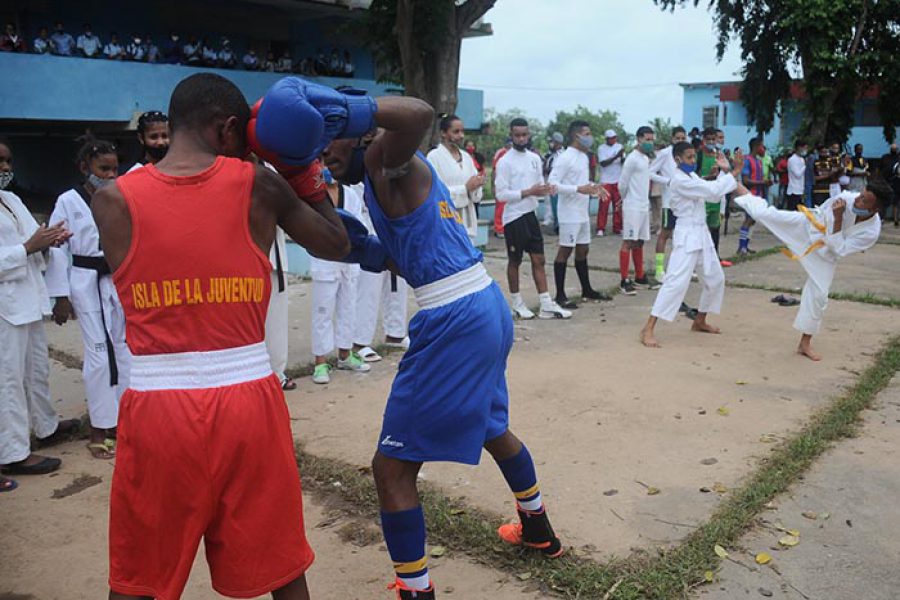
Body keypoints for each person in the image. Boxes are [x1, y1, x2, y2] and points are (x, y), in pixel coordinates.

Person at [92, 72, 353, 600]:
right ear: (229, 129)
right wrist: (302, 170)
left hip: (156, 408)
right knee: (282, 570)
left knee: (140, 576)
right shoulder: (258, 184)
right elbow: (336, 242)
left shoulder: (112, 200)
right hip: (248, 402)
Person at [308, 80, 564, 600]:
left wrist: (345, 113)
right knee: (492, 424)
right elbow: (385, 250)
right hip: (482, 304)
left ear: (355, 133)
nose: (323, 152)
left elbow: (418, 112)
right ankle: (537, 528)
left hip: (454, 317)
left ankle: (414, 591)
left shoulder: (384, 156)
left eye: (328, 138)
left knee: (392, 468)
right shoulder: (378, 175)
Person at [734, 177, 888, 361]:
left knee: (819, 295)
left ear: (875, 209)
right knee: (766, 214)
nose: (857, 200)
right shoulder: (846, 198)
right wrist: (834, 219)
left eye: (864, 200)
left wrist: (838, 219)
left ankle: (804, 343)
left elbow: (839, 249)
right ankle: (732, 181)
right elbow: (822, 216)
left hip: (826, 254)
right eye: (861, 195)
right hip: (807, 227)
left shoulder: (871, 232)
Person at [45, 137, 130, 460]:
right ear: (84, 168)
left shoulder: (120, 196)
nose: (109, 175)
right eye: (102, 169)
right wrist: (60, 296)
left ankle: (125, 421)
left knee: (125, 349)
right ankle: (100, 426)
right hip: (84, 280)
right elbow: (56, 248)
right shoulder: (68, 201)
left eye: (114, 169)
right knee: (98, 353)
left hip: (117, 280)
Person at [0, 139, 77, 483]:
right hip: (4, 306)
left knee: (36, 371)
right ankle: (13, 453)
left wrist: (51, 239)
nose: (5, 169)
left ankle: (46, 427)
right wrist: (27, 248)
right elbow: (25, 246)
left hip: (28, 299)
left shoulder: (12, 200)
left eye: (8, 161)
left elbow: (35, 238)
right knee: (8, 381)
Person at [640, 143, 742, 348]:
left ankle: (700, 320)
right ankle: (648, 328)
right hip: (687, 235)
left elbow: (710, 190)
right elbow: (712, 191)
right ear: (677, 160)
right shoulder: (679, 180)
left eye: (694, 157)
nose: (693, 161)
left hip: (701, 233)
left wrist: (722, 173)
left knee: (715, 278)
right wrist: (734, 171)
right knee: (675, 283)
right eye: (688, 157)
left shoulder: (691, 177)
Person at [494, 118, 571, 320]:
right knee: (515, 260)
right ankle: (517, 302)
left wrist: (543, 190)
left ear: (529, 135)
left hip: (531, 215)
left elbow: (539, 185)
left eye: (524, 134)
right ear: (511, 136)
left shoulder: (535, 158)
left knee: (539, 259)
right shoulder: (504, 162)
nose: (521, 138)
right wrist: (529, 191)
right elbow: (501, 194)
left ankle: (545, 303)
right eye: (517, 135)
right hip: (514, 217)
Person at [309, 171, 370, 384]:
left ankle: (345, 354)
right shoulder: (313, 196)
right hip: (324, 260)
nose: (329, 172)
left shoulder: (350, 194)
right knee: (322, 311)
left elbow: (359, 226)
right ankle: (320, 362)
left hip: (349, 259)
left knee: (348, 308)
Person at [548, 120, 608, 307]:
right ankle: (560, 295)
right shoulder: (565, 157)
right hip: (569, 213)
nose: (590, 138)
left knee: (583, 250)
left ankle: (587, 289)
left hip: (582, 211)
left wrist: (593, 186)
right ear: (577, 136)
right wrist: (578, 189)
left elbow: (582, 181)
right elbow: (552, 184)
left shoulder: (583, 156)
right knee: (565, 250)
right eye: (587, 133)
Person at [617, 126, 664, 294]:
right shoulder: (632, 159)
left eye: (652, 139)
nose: (650, 143)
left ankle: (640, 276)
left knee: (640, 241)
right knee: (628, 241)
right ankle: (624, 280)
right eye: (647, 139)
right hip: (632, 205)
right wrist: (625, 199)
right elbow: (622, 183)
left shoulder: (646, 158)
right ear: (638, 139)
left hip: (644, 205)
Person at [426, 114, 483, 240]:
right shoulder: (434, 157)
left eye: (462, 131)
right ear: (443, 133)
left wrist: (476, 185)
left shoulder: (467, 157)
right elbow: (434, 192)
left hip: (468, 220)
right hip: (446, 221)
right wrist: (464, 188)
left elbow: (476, 194)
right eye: (456, 132)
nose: (461, 136)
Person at [649, 125, 686, 280]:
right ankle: (659, 270)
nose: (680, 140)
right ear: (672, 139)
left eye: (683, 138)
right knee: (665, 234)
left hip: (684, 202)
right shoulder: (665, 154)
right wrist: (667, 181)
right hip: (669, 203)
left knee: (682, 237)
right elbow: (649, 172)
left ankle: (680, 268)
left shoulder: (686, 153)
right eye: (677, 138)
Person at [736, 138, 768, 255]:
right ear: (756, 146)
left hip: (758, 194)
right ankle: (741, 247)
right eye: (762, 146)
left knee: (753, 220)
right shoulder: (747, 160)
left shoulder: (758, 162)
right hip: (750, 194)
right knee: (749, 220)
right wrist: (762, 183)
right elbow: (746, 180)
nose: (764, 149)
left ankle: (745, 245)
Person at [596, 129, 625, 236]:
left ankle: (618, 227)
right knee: (604, 205)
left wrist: (622, 157)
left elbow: (623, 161)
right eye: (611, 138)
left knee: (618, 205)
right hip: (606, 181)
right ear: (607, 139)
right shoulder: (601, 148)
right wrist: (616, 156)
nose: (614, 140)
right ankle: (600, 228)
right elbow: (603, 163)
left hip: (618, 179)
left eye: (615, 137)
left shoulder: (619, 147)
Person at [541, 132, 564, 229]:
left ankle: (558, 224)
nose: (550, 144)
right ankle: (552, 221)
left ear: (558, 143)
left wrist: (548, 170)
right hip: (549, 181)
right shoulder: (549, 155)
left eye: (552, 142)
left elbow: (558, 169)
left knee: (558, 205)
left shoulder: (563, 154)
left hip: (559, 184)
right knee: (549, 203)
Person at [880, 144, 900, 226]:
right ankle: (882, 218)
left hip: (897, 183)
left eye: (895, 149)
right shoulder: (885, 157)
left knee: (896, 201)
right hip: (886, 182)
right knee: (885, 200)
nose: (894, 150)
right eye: (892, 148)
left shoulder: (898, 158)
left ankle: (896, 219)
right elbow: (880, 168)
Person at [786, 140, 808, 211]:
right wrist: (805, 166)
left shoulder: (802, 159)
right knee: (792, 212)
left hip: (800, 190)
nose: (805, 150)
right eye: (804, 148)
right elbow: (797, 174)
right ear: (799, 148)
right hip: (793, 190)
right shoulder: (792, 160)